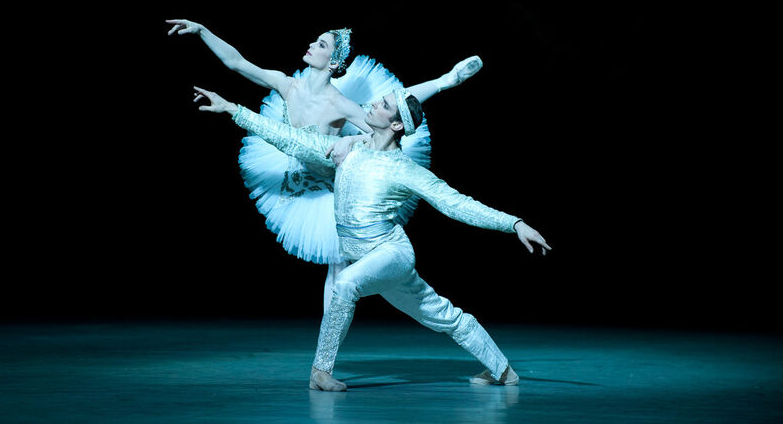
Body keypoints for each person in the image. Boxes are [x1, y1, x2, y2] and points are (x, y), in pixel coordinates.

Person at [193, 86, 552, 391]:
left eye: (383, 105)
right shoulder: (349, 148)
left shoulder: (405, 170)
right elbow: (291, 138)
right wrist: (233, 109)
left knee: (344, 284)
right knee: (442, 314)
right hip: (364, 256)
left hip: (390, 254)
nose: (373, 105)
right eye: (377, 101)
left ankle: (321, 372)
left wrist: (513, 223)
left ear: (396, 125)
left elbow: (454, 203)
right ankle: (504, 370)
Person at [168, 19, 483, 312]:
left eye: (321, 44)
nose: (311, 46)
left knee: (338, 265)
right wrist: (202, 31)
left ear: (333, 62)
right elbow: (236, 62)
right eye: (315, 41)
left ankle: (445, 80)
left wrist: (350, 141)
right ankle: (444, 80)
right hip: (298, 174)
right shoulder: (286, 85)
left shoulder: (338, 104)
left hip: (336, 186)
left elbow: (385, 129)